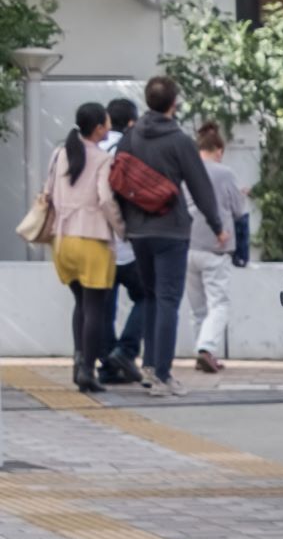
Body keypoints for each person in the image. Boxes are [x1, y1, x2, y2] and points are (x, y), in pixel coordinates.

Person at [112, 76, 224, 396]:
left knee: (149, 297)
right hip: (171, 231)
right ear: (174, 103)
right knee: (167, 301)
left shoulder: (130, 137)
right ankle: (161, 375)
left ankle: (150, 369)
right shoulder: (179, 141)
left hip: (138, 231)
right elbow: (200, 185)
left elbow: (117, 179)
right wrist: (217, 225)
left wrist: (126, 221)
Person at [42, 104, 118, 394]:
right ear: (98, 127)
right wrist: (121, 229)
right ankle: (87, 368)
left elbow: (47, 192)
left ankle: (78, 362)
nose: (109, 127)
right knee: (96, 307)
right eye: (107, 123)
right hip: (92, 239)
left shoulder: (59, 154)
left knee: (81, 304)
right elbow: (106, 200)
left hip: (63, 240)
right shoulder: (102, 159)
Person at [184, 121, 248, 374]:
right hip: (215, 245)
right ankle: (206, 348)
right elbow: (237, 210)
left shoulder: (186, 172)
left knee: (197, 307)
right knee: (219, 303)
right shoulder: (224, 173)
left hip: (187, 245)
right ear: (219, 149)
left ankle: (203, 351)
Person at [100, 98, 146, 385]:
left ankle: (107, 366)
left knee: (103, 306)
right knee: (148, 296)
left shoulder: (91, 148)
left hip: (95, 241)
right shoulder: (131, 148)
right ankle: (126, 350)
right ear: (131, 122)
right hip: (127, 241)